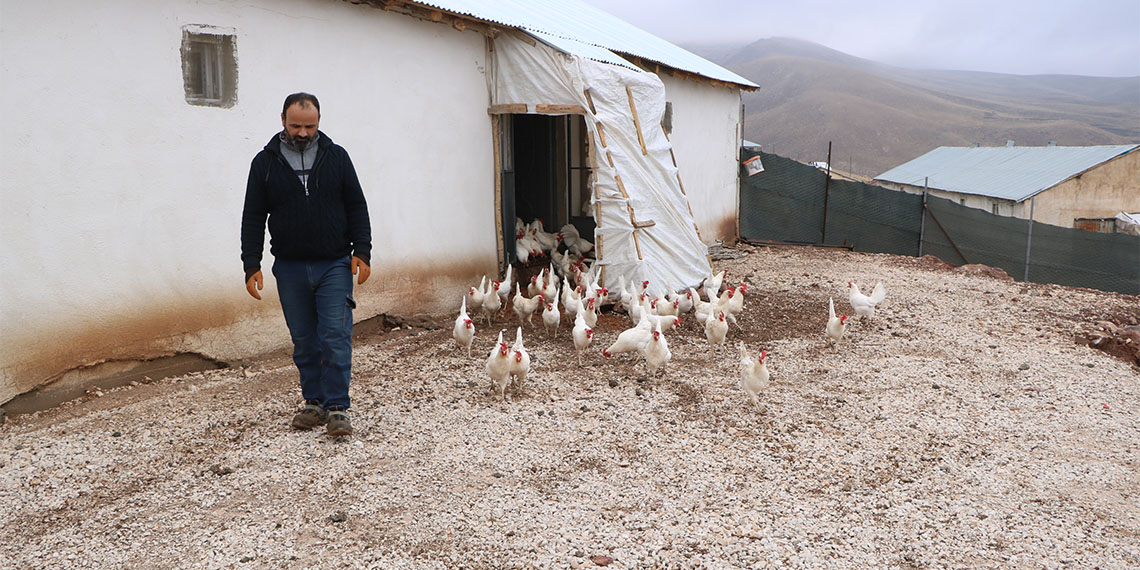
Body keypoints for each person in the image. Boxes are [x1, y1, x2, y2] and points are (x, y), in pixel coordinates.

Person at [241, 92, 372, 437]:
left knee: (335, 334)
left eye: (309, 126)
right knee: (304, 340)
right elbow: (253, 217)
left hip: (334, 264)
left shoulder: (337, 157)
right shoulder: (264, 163)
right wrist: (251, 263)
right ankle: (314, 403)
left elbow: (357, 206)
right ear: (282, 120)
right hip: (290, 267)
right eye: (296, 125)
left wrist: (363, 251)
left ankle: (338, 407)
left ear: (319, 122)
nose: (302, 132)